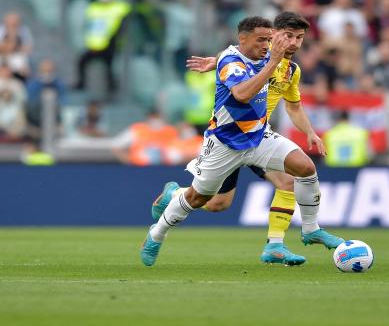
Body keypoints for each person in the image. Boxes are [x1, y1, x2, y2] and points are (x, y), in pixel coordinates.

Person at [140, 16, 343, 267]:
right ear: (244, 39)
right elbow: (242, 93)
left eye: (271, 40)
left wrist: (310, 131)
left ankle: (306, 231)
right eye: (267, 39)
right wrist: (251, 61)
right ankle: (157, 232)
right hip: (226, 142)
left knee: (304, 168)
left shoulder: (287, 67)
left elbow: (293, 104)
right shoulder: (235, 59)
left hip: (259, 136)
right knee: (205, 201)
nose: (270, 45)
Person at [76, 0, 131, 94]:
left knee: (110, 67)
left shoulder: (119, 7)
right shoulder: (93, 8)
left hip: (111, 45)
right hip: (94, 45)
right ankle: (82, 83)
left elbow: (127, 16)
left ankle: (112, 88)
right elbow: (89, 27)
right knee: (81, 62)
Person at [112, 109, 179, 166]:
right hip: (140, 169)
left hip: (167, 169)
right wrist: (130, 161)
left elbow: (182, 149)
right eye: (153, 117)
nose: (155, 120)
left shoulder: (171, 131)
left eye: (157, 117)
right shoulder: (137, 129)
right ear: (148, 118)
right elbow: (115, 145)